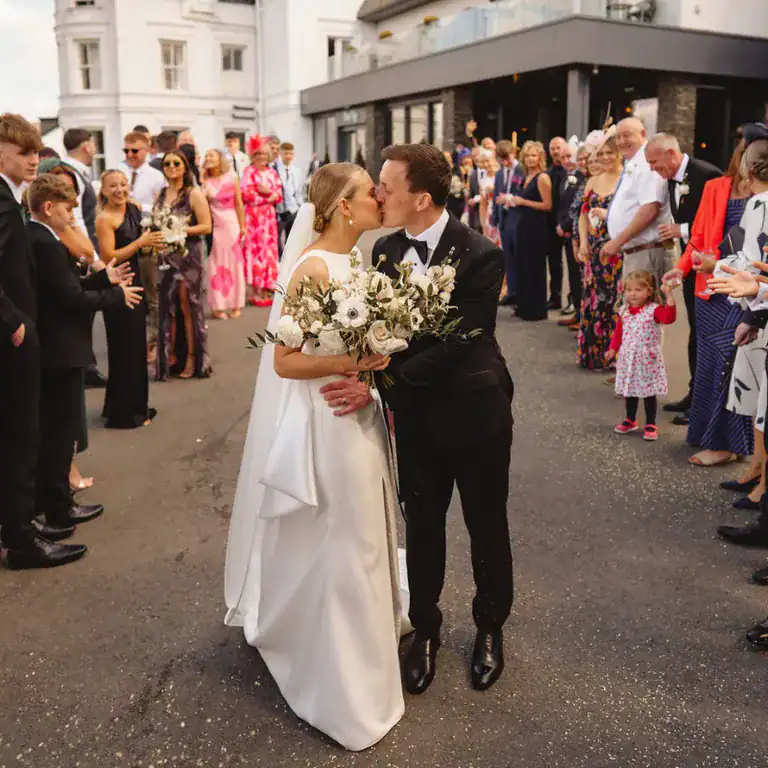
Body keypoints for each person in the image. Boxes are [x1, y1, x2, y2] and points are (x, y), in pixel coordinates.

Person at [224, 165, 406, 751]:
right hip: (327, 420)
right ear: (343, 207)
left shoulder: (358, 265)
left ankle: (363, 656)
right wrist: (357, 362)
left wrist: (374, 360)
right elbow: (284, 361)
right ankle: (341, 684)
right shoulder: (314, 268)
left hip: (358, 417)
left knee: (364, 536)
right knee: (341, 540)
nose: (380, 198)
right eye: (368, 193)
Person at [325, 143, 515, 695]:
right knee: (423, 525)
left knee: (486, 524)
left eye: (387, 184)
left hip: (476, 413)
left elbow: (463, 338)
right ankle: (425, 629)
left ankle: (489, 628)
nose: (378, 192)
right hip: (416, 421)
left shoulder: (480, 253)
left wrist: (379, 382)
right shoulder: (382, 249)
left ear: (421, 197)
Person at [28, 174, 140, 538]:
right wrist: (114, 296)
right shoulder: (44, 242)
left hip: (60, 347)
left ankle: (60, 502)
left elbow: (71, 287)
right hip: (58, 348)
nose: (73, 216)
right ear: (48, 208)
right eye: (67, 209)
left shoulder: (45, 238)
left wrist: (104, 280)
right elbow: (70, 300)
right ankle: (58, 508)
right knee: (59, 433)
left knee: (61, 432)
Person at [0, 113, 87, 569]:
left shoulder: (8, 196)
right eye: (24, 152)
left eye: (36, 151)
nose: (34, 160)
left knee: (21, 435)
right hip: (12, 336)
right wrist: (13, 320)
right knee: (20, 437)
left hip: (19, 331)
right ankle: (21, 541)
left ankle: (20, 528)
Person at [662, 140, 754, 468]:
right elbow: (698, 239)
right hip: (710, 292)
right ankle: (706, 435)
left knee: (731, 368)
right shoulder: (716, 187)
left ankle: (727, 444)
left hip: (745, 294)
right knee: (709, 366)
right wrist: (681, 267)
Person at [645, 133, 722, 424]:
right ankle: (694, 392)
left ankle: (702, 403)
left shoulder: (707, 175)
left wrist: (682, 230)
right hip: (691, 263)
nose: (653, 168)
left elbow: (721, 222)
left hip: (711, 267)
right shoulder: (671, 179)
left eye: (654, 162)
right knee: (694, 331)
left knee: (705, 334)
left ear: (670, 153)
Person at [96, 170, 163, 428]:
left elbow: (141, 244)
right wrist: (140, 243)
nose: (119, 190)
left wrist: (152, 243)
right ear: (103, 191)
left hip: (136, 280)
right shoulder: (105, 219)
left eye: (123, 184)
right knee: (123, 349)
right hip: (118, 285)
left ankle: (135, 405)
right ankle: (125, 414)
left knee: (135, 347)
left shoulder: (134, 209)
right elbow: (108, 256)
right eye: (113, 186)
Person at [153, 151, 213, 380]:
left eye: (176, 163)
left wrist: (179, 230)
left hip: (189, 256)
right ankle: (170, 357)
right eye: (167, 163)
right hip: (166, 256)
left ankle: (192, 358)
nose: (171, 166)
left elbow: (206, 226)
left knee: (188, 305)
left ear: (185, 167)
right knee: (168, 306)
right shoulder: (162, 193)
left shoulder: (193, 193)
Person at [603, 117, 673, 289]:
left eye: (627, 135)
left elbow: (650, 209)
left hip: (646, 252)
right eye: (618, 137)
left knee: (646, 312)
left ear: (643, 134)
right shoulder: (633, 162)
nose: (621, 141)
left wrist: (617, 241)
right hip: (637, 251)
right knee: (634, 313)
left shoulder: (647, 162)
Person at [607, 271, 676, 440]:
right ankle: (630, 419)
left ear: (649, 292)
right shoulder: (624, 311)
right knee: (630, 391)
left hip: (647, 360)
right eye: (629, 290)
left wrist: (669, 297)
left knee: (648, 392)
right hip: (628, 358)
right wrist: (612, 349)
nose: (633, 294)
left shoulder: (654, 310)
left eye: (638, 290)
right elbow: (619, 332)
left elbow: (668, 318)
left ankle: (650, 423)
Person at [63, 128, 108, 388]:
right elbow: (74, 219)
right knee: (84, 310)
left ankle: (86, 365)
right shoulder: (70, 174)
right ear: (87, 147)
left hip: (84, 248)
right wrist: (91, 256)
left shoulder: (78, 171)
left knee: (86, 311)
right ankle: (84, 367)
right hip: (81, 250)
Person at [119, 130, 166, 356]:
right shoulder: (119, 172)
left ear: (146, 150)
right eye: (126, 150)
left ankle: (153, 343)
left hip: (147, 237)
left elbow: (161, 209)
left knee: (151, 293)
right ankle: (132, 343)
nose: (130, 155)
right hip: (123, 238)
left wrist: (138, 207)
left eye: (134, 150)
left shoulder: (156, 176)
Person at [577, 136, 623, 369]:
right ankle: (594, 354)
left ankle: (615, 356)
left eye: (610, 153)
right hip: (594, 250)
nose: (605, 157)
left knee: (616, 300)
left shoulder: (627, 179)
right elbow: (583, 215)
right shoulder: (593, 181)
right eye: (601, 153)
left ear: (619, 154)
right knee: (594, 300)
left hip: (617, 249)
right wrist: (583, 242)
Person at [511, 140, 553, 321]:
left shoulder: (543, 177)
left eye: (533, 155)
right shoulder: (525, 176)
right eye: (527, 156)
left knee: (534, 267)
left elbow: (548, 205)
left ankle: (535, 310)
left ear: (540, 157)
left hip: (536, 227)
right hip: (524, 225)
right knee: (523, 265)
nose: (530, 159)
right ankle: (524, 305)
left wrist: (522, 202)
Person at [202, 149, 246, 320]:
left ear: (220, 159)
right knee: (216, 264)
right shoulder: (204, 180)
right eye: (206, 156)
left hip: (231, 224)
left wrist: (243, 226)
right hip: (214, 225)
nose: (208, 158)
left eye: (211, 155)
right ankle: (218, 306)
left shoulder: (232, 176)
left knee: (235, 263)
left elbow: (239, 203)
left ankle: (236, 303)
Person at [241, 134, 282, 306]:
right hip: (254, 218)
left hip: (269, 219)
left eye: (265, 155)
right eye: (258, 155)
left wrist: (267, 192)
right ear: (253, 156)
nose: (262, 158)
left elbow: (279, 195)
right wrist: (269, 196)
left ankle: (268, 287)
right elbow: (246, 195)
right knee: (255, 251)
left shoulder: (272, 173)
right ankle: (256, 289)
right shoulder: (249, 172)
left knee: (269, 251)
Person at [492, 139, 524, 306]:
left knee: (519, 257)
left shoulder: (522, 170)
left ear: (514, 153)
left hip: (518, 219)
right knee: (508, 258)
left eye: (508, 158)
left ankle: (521, 292)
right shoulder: (499, 173)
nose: (506, 162)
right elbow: (495, 197)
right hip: (504, 220)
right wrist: (494, 222)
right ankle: (511, 291)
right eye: (502, 160)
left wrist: (510, 200)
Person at [555, 141, 584, 322]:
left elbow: (578, 207)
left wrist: (565, 225)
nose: (566, 160)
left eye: (569, 157)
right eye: (563, 157)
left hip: (576, 232)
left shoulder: (581, 178)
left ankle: (581, 313)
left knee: (579, 274)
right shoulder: (565, 178)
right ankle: (576, 310)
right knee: (572, 273)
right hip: (566, 232)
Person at [547, 136, 569, 310]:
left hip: (568, 224)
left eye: (558, 148)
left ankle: (572, 301)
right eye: (553, 148)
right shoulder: (548, 172)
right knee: (554, 262)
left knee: (573, 264)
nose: (555, 151)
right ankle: (555, 297)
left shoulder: (570, 171)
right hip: (551, 224)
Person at [274, 142, 305, 256]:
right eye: (286, 153)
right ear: (280, 154)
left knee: (291, 240)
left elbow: (299, 192)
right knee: (277, 239)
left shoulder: (297, 171)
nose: (288, 156)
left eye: (290, 154)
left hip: (293, 210)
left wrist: (300, 208)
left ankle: (289, 261)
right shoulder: (275, 169)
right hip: (279, 210)